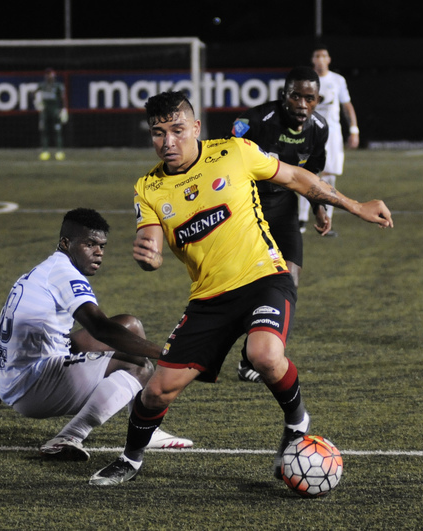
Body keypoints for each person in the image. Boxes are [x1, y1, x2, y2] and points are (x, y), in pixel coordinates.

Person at [89, 91, 392, 486]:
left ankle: (297, 419)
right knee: (157, 392)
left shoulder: (235, 152)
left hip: (264, 277)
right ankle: (130, 460)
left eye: (177, 130)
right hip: (208, 299)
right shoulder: (148, 187)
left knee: (263, 354)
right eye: (158, 133)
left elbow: (297, 177)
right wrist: (150, 257)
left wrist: (356, 206)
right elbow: (151, 242)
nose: (168, 142)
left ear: (196, 127)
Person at [0, 208, 192, 460]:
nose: (98, 252)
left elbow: (11, 352)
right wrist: (168, 354)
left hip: (17, 379)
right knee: (140, 365)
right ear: (65, 243)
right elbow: (100, 329)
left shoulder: (42, 272)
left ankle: (148, 429)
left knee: (129, 325)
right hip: (33, 388)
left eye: (101, 245)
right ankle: (70, 436)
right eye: (89, 244)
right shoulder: (64, 274)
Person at [230, 66, 330, 383]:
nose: (302, 103)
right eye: (296, 95)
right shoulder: (255, 121)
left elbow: (311, 172)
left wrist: (319, 209)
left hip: (285, 207)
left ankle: (254, 356)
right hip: (248, 209)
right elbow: (224, 157)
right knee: (247, 286)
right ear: (284, 96)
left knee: (290, 279)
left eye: (309, 98)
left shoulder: (318, 128)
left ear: (317, 100)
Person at [298, 44, 360, 237]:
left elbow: (347, 105)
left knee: (329, 176)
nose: (321, 59)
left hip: (332, 134)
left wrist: (354, 129)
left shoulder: (337, 80)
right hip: (309, 132)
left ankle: (327, 221)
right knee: (305, 174)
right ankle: (301, 219)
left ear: (329, 59)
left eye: (324, 55)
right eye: (317, 56)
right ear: (313, 60)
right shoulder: (306, 80)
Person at [34, 68, 68, 161]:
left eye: (51, 74)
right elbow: (34, 94)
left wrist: (64, 109)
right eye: (47, 74)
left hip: (55, 111)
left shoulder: (58, 86)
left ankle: (59, 151)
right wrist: (37, 103)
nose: (49, 76)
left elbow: (62, 97)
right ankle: (45, 151)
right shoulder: (41, 85)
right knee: (44, 131)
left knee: (57, 131)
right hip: (45, 112)